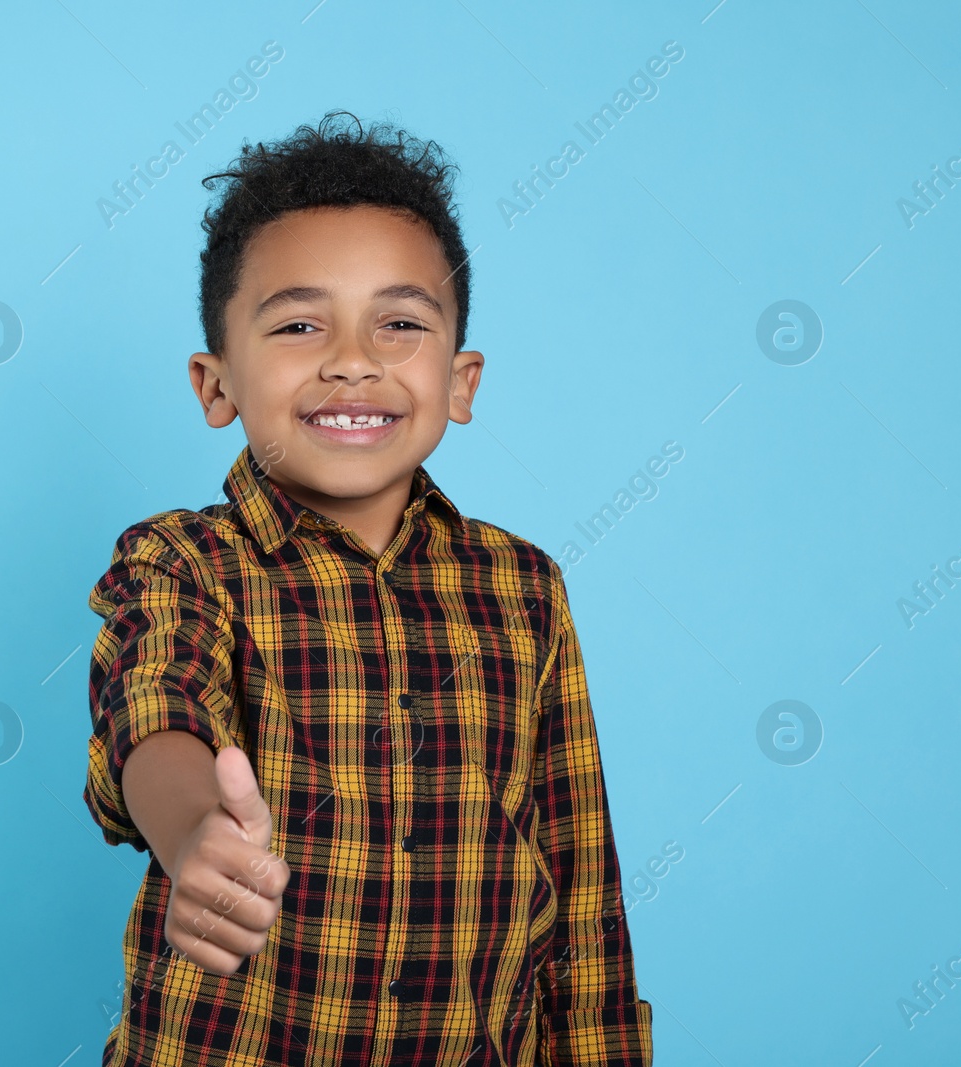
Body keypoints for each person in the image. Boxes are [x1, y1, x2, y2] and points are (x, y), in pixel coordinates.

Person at [82, 110, 652, 1066]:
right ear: (215, 383)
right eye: (301, 324)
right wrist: (195, 837)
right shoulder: (181, 563)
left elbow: (579, 887)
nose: (354, 359)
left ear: (461, 381)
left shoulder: (525, 590)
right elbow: (154, 711)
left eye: (399, 323)